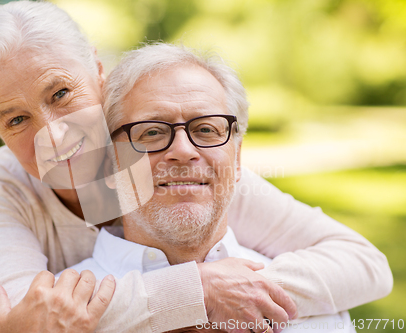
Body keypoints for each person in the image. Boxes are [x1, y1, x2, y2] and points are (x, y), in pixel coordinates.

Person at [0, 1, 392, 332]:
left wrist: (246, 296)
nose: (53, 133)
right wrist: (197, 292)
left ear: (99, 75)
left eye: (61, 94)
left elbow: (363, 264)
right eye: (16, 120)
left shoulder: (173, 163)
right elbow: (9, 316)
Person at [68, 42, 358, 333]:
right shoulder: (56, 315)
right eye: (152, 131)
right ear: (108, 164)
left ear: (238, 157)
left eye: (206, 129)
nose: (183, 151)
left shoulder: (317, 312)